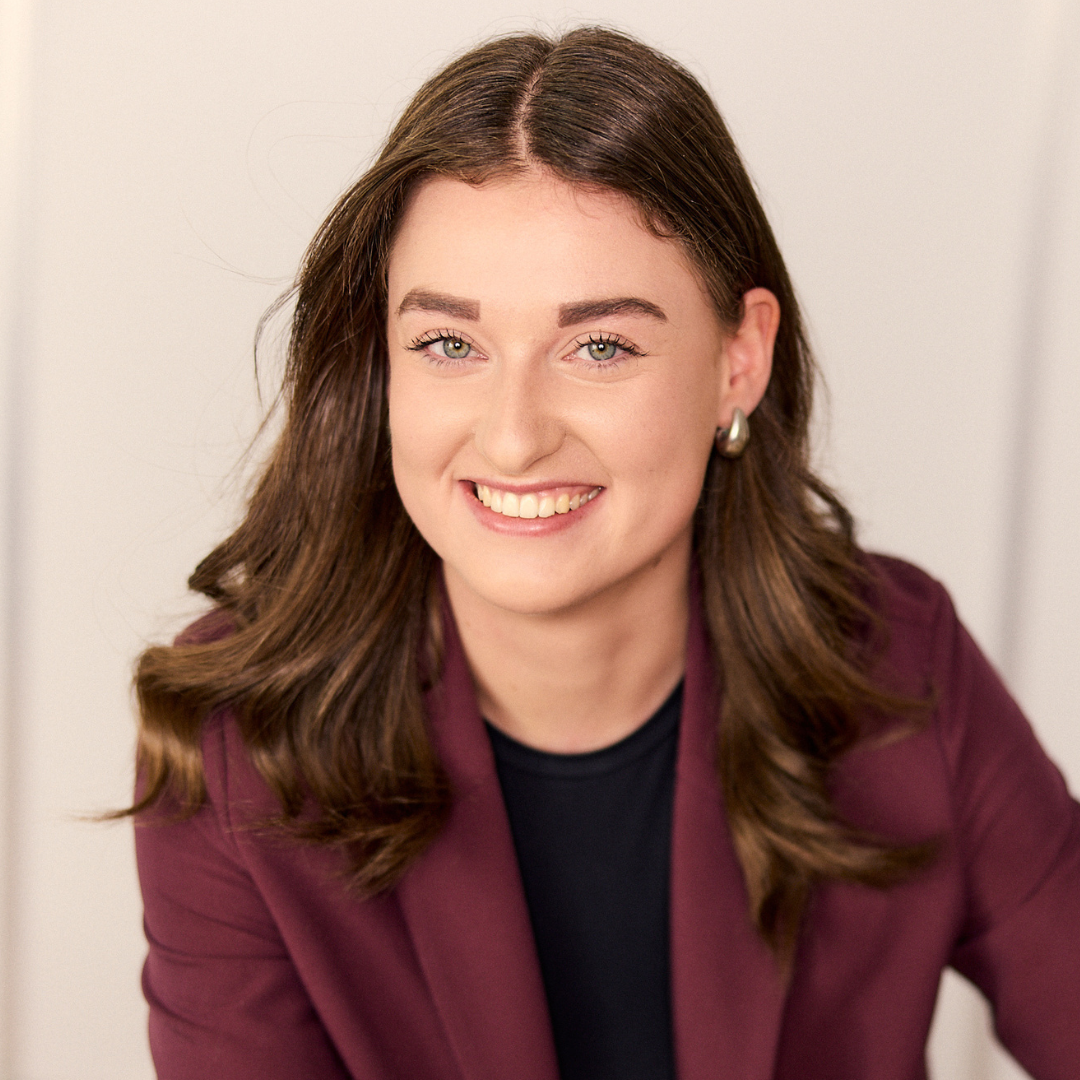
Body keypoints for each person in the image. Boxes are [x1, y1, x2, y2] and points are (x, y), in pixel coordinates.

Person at [129, 25, 1080, 1080]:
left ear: (739, 360)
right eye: (448, 343)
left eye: (599, 346)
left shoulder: (899, 671)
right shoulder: (239, 746)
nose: (513, 437)